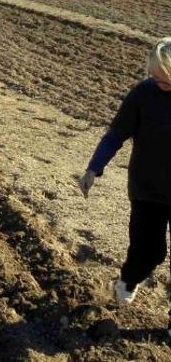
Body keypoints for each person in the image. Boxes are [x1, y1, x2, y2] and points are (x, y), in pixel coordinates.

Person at [80, 38, 171, 337]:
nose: (159, 81)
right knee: (150, 252)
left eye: (165, 77)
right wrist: (94, 168)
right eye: (155, 75)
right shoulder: (143, 94)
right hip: (148, 190)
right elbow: (116, 134)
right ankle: (128, 279)